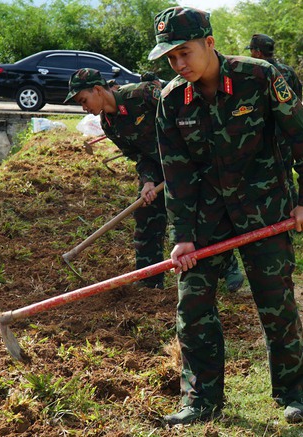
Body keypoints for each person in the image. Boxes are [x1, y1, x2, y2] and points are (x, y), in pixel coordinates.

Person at [148, 6, 303, 425]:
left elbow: (301, 140)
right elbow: (176, 174)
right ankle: (201, 401)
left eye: (185, 53)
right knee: (193, 306)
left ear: (209, 43)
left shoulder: (259, 77)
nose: (179, 64)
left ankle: (295, 392)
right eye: (170, 58)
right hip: (205, 220)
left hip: (265, 210)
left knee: (276, 303)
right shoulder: (170, 101)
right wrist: (181, 235)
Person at [64, 68, 244, 291]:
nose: (84, 107)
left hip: (192, 160)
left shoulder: (142, 94)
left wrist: (193, 157)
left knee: (202, 215)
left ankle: (228, 266)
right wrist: (148, 181)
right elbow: (139, 156)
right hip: (159, 168)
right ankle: (150, 280)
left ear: (98, 89)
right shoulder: (109, 125)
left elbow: (185, 112)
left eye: (84, 100)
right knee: (146, 216)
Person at [246, 33, 303, 204]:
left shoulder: (252, 73)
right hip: (286, 133)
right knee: (287, 171)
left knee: (268, 177)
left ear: (257, 52)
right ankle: (294, 207)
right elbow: (296, 103)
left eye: (251, 50)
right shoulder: (288, 71)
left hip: (263, 136)